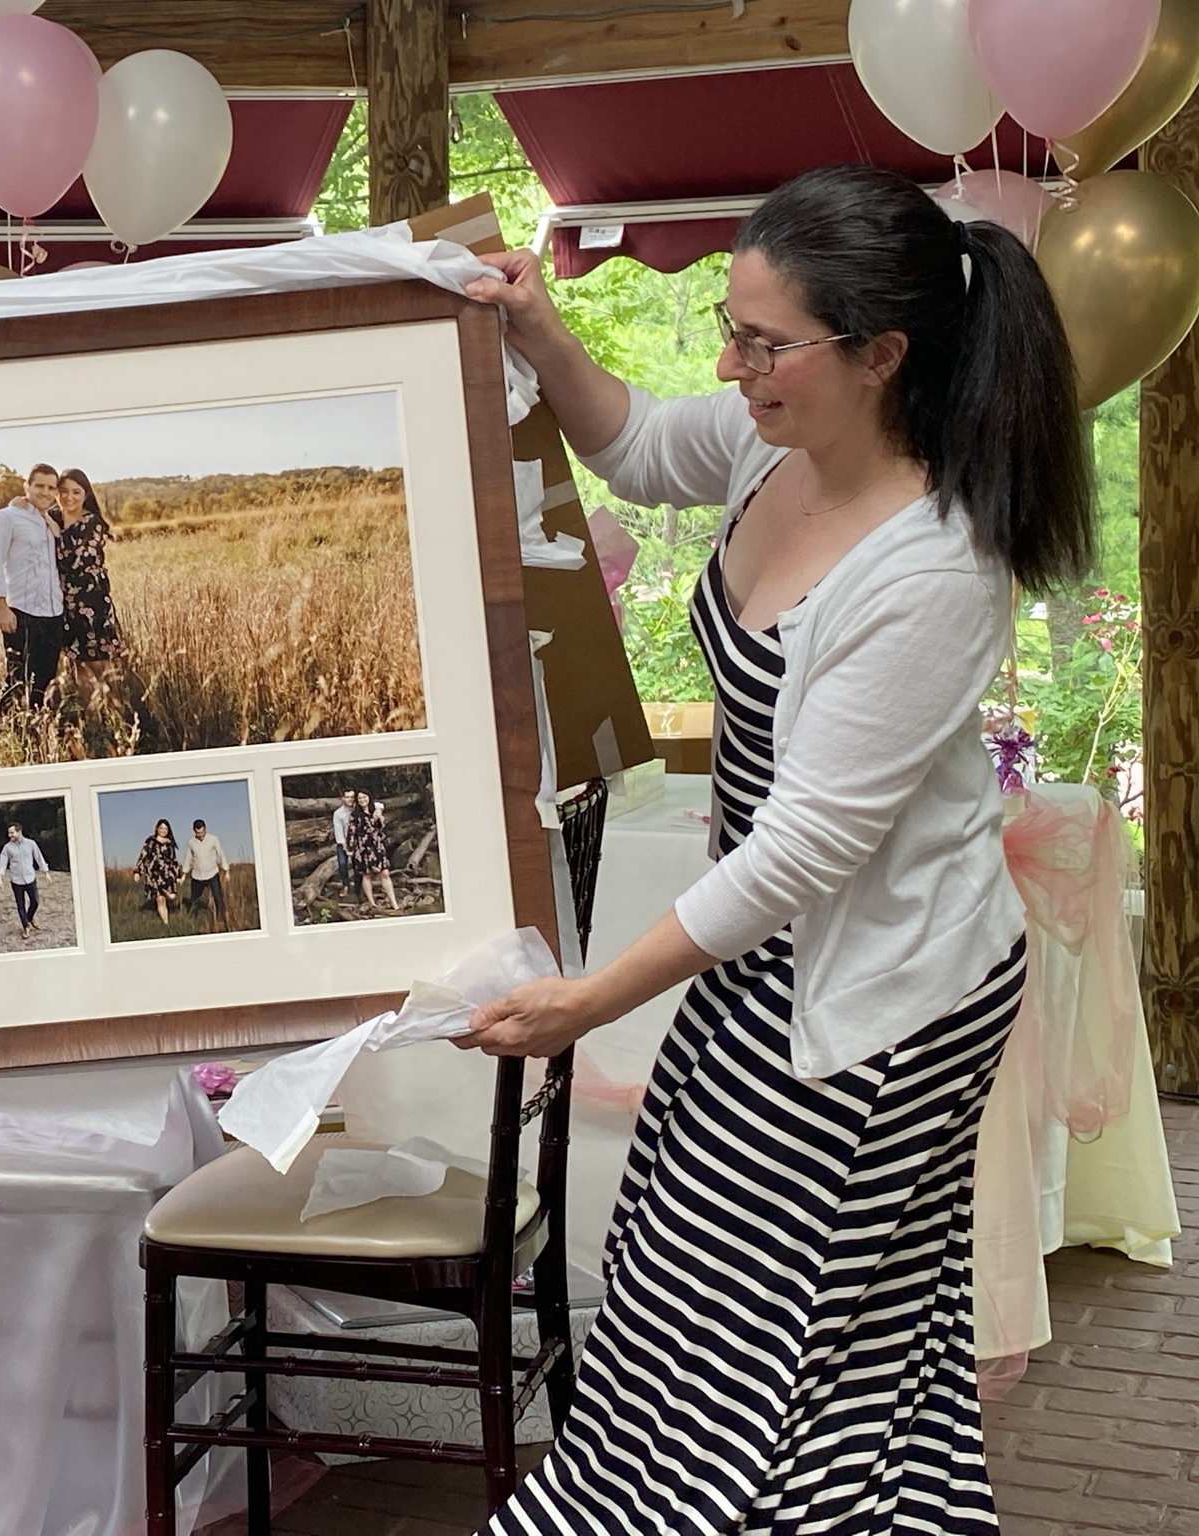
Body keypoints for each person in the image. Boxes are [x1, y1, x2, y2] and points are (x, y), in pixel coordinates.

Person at [458, 164, 1092, 1534]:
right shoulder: (777, 443)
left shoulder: (934, 565)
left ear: (880, 355)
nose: (728, 367)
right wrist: (541, 332)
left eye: (762, 342)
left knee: (761, 1327)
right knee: (693, 1295)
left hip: (879, 995)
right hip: (766, 963)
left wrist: (587, 1001)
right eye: (730, 331)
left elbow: (799, 853)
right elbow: (636, 443)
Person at [0, 463, 65, 714]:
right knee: (17, 680)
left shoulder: (50, 520)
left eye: (51, 488)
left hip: (53, 613)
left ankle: (38, 728)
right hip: (22, 612)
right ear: (26, 486)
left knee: (45, 680)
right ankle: (6, 730)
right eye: (39, 486)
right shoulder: (7, 518)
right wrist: (1, 607)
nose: (45, 492)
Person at [53, 468, 124, 705]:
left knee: (101, 664)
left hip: (93, 603)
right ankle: (92, 718)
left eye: (76, 492)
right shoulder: (53, 516)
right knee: (80, 664)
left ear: (86, 494)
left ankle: (116, 715)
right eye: (63, 491)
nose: (69, 497)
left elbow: (75, 563)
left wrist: (55, 532)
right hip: (67, 606)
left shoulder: (92, 523)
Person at [0, 821, 50, 938]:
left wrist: (46, 873)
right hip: (16, 880)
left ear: (19, 832)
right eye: (9, 833)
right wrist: (0, 878)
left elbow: (39, 857)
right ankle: (26, 927)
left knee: (35, 902)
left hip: (30, 878)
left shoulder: (31, 844)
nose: (10, 835)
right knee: (21, 905)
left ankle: (29, 918)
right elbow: (2, 863)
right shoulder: (7, 848)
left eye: (12, 833)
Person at [180, 818, 233, 933]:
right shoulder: (191, 843)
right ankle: (193, 919)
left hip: (212, 873)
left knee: (218, 898)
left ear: (205, 829)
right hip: (197, 876)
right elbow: (188, 858)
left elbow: (221, 854)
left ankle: (221, 919)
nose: (200, 835)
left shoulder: (213, 839)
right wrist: (184, 874)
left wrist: (227, 871)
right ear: (194, 831)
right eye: (198, 833)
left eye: (202, 832)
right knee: (194, 899)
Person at [350, 795, 398, 913]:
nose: (362, 800)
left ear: (369, 798)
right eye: (360, 798)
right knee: (367, 874)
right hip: (363, 848)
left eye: (364, 797)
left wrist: (380, 817)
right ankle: (372, 903)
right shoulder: (355, 815)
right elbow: (351, 832)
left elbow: (381, 827)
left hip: (377, 846)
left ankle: (394, 903)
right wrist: (350, 848)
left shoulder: (375, 811)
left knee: (385, 873)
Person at [135, 818, 182, 925]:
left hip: (167, 875)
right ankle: (166, 922)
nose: (163, 831)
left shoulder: (170, 843)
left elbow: (174, 861)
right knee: (160, 899)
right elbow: (143, 856)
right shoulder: (150, 841)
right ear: (157, 829)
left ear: (168, 830)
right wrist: (138, 871)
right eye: (161, 828)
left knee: (172, 896)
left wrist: (178, 876)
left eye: (165, 829)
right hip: (153, 875)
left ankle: (167, 897)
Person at [331, 789, 354, 889]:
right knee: (342, 863)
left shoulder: (357, 809)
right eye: (347, 797)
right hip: (344, 841)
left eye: (352, 797)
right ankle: (345, 885)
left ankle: (360, 887)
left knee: (358, 865)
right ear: (343, 798)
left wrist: (379, 810)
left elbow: (377, 805)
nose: (350, 799)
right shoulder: (338, 813)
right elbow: (338, 831)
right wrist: (346, 847)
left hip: (357, 841)